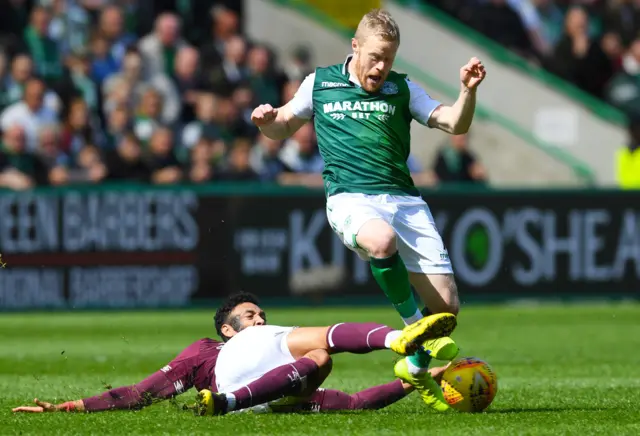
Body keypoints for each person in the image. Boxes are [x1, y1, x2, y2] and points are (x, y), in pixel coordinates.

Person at [250, 8, 486, 412]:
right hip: (350, 197)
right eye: (375, 56)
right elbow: (283, 125)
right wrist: (266, 120)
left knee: (447, 307)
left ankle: (416, 363)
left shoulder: (402, 88)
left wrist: (467, 92)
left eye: (389, 58)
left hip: (406, 202)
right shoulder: (319, 83)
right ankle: (413, 327)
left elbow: (453, 124)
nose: (381, 66)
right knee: (381, 241)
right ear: (355, 46)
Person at [11, 292, 456, 415]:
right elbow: (142, 392)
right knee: (319, 346)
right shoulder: (209, 351)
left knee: (320, 360)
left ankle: (402, 349)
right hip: (234, 385)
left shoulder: (293, 386)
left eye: (262, 312)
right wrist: (70, 406)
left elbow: (359, 402)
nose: (259, 318)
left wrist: (415, 381)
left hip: (254, 401)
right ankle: (397, 339)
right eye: (250, 314)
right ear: (228, 328)